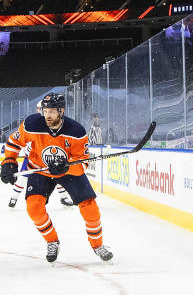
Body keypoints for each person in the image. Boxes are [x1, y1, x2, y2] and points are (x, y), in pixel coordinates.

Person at [1, 93, 112, 263]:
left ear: (61, 111)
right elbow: (13, 143)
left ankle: (97, 245)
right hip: (39, 170)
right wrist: (9, 161)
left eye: (52, 111)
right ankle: (52, 241)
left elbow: (82, 165)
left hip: (68, 173)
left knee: (90, 207)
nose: (47, 115)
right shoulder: (31, 124)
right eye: (45, 111)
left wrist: (66, 165)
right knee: (33, 208)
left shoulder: (76, 131)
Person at [7, 101, 73, 209]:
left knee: (58, 175)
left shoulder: (52, 122)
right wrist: (26, 152)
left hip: (48, 157)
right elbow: (20, 140)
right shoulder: (32, 123)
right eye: (39, 109)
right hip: (33, 158)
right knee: (23, 177)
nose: (40, 111)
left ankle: (64, 197)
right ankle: (14, 197)